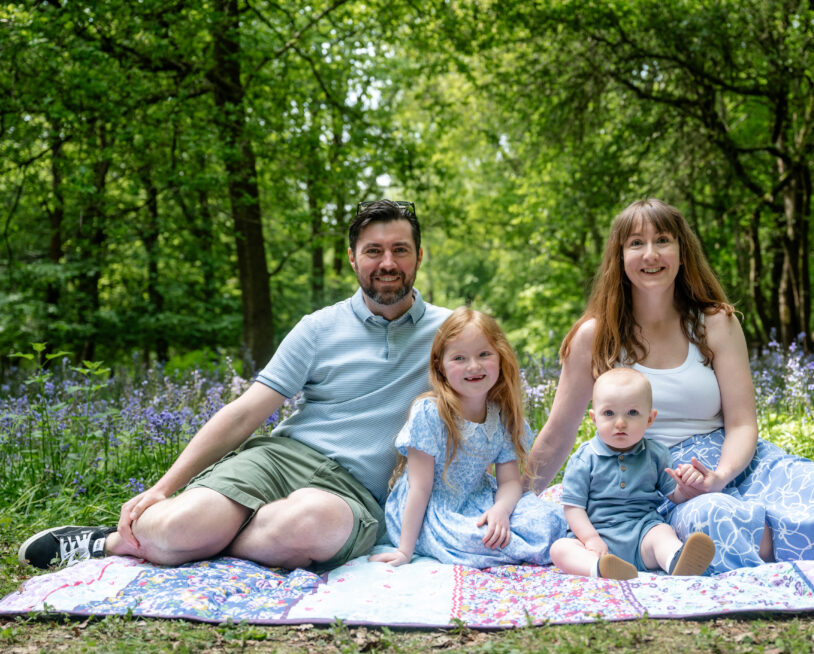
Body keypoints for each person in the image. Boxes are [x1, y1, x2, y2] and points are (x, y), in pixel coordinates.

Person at [19, 199, 453, 573]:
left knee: (306, 525)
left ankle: (202, 540)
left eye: (400, 250)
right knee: (176, 524)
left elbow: (494, 406)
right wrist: (162, 488)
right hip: (281, 460)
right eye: (373, 251)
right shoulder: (318, 328)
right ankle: (112, 542)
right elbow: (246, 412)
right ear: (352, 258)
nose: (388, 263)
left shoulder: (451, 332)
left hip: (354, 495)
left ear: (418, 255)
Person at [529, 198, 814, 575]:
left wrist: (720, 474)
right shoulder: (594, 337)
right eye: (636, 243)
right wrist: (507, 500)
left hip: (732, 461)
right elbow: (559, 434)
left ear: (682, 252)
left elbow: (742, 424)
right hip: (658, 488)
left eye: (663, 241)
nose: (650, 254)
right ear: (619, 257)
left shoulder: (716, 323)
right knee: (717, 521)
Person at [370, 308, 566, 568]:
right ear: (440, 366)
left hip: (478, 498)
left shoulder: (502, 416)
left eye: (484, 354)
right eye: (459, 358)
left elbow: (509, 483)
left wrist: (500, 512)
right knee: (481, 538)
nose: (473, 366)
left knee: (548, 517)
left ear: (500, 358)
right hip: (434, 509)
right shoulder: (430, 413)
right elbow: (420, 488)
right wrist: (405, 551)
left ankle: (557, 545)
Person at [550, 368, 715, 580]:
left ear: (649, 419)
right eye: (609, 413)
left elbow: (673, 495)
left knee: (662, 533)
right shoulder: (585, 458)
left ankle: (676, 560)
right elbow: (573, 508)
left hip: (642, 533)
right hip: (597, 539)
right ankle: (600, 569)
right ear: (594, 418)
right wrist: (591, 539)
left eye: (632, 413)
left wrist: (685, 486)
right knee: (560, 549)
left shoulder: (655, 454)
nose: (620, 423)